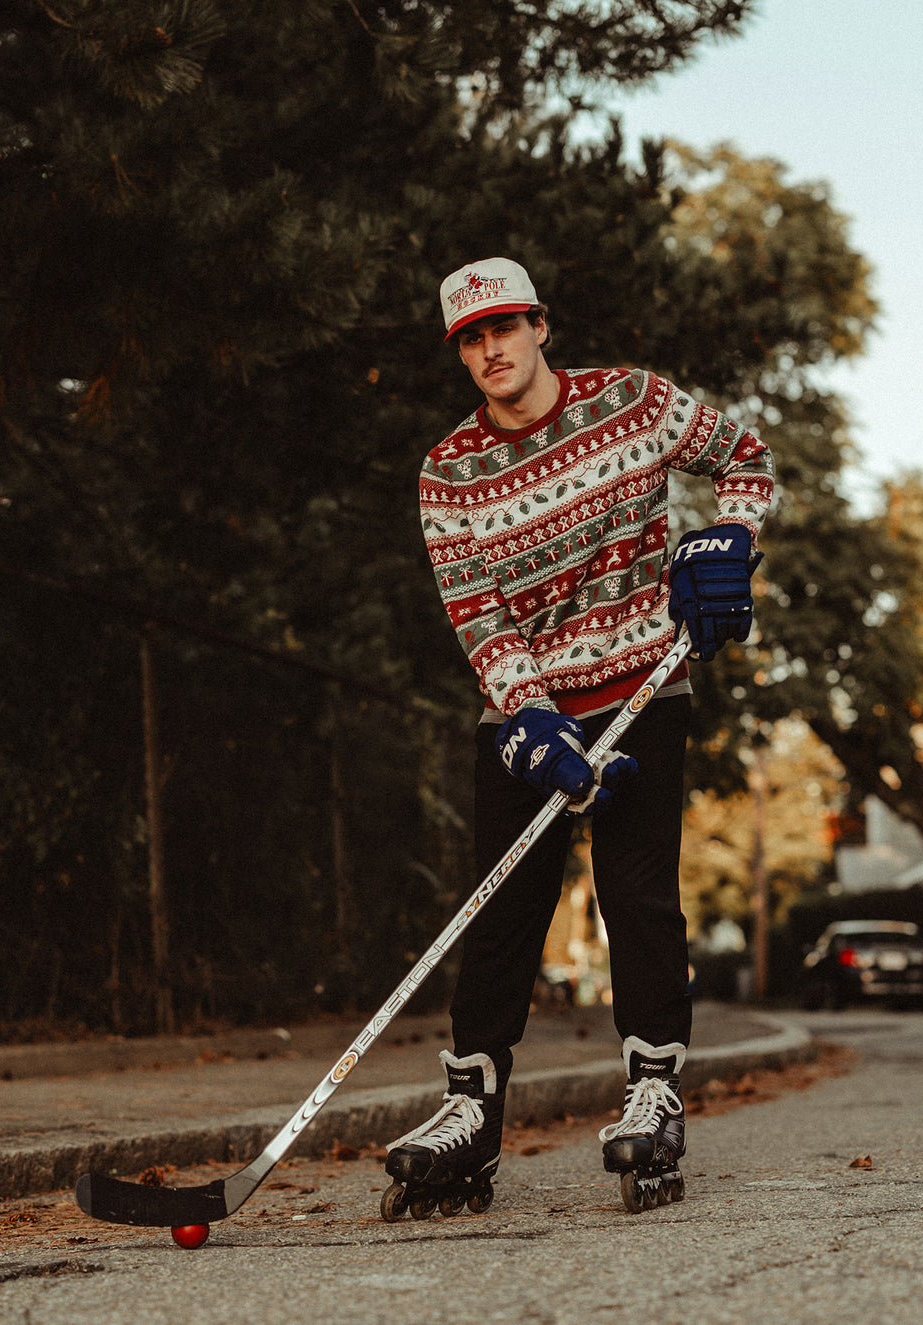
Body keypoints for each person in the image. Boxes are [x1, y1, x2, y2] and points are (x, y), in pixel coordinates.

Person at [381, 256, 774, 1220]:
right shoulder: (447, 472)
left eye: (504, 328)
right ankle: (471, 1111)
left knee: (637, 895)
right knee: (502, 907)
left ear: (540, 325)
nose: (490, 350)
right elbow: (477, 618)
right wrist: (532, 718)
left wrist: (727, 541)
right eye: (471, 338)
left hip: (646, 684)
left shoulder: (632, 401)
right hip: (528, 715)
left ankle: (652, 1092)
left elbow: (747, 458)